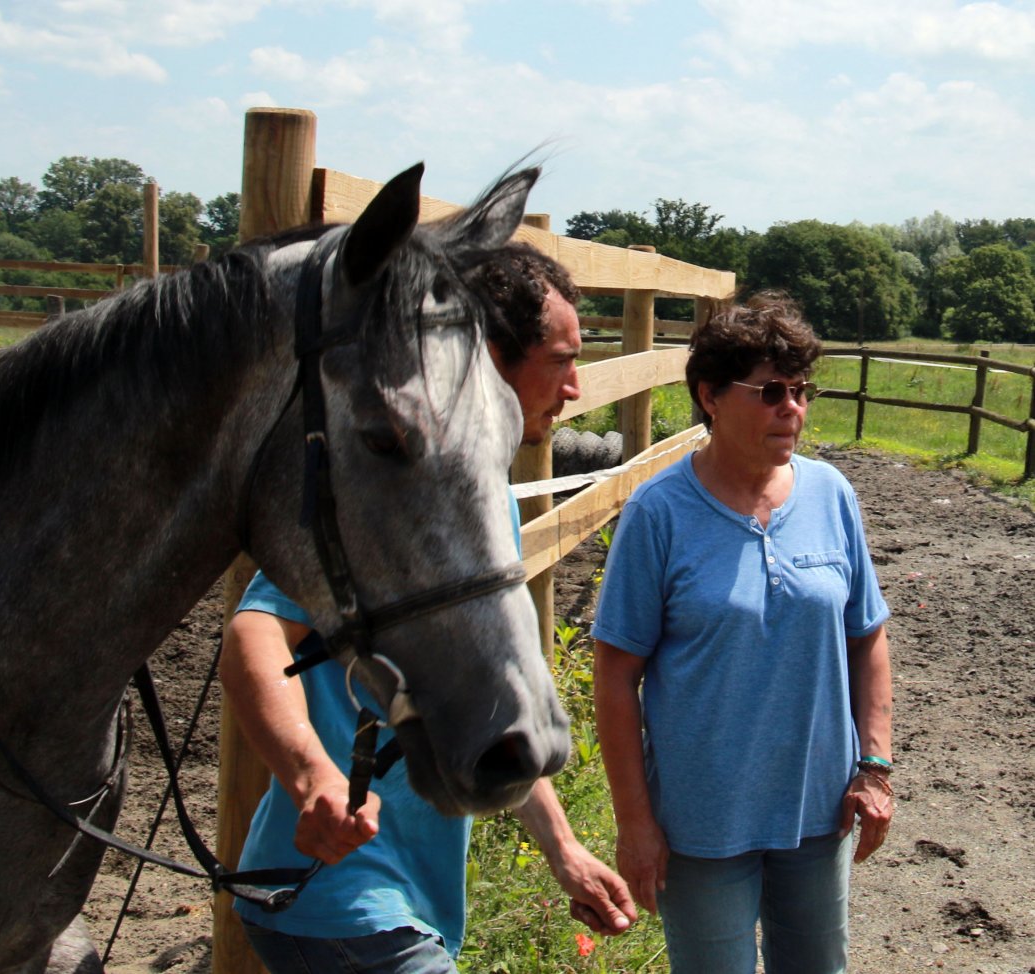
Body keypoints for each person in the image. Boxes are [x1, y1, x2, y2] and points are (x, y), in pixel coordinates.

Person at [220, 245, 637, 974]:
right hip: (338, 897)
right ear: (493, 358)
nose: (576, 387)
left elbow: (492, 709)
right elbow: (251, 634)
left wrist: (565, 851)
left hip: (403, 898)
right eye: (562, 360)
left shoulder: (482, 502)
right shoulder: (389, 499)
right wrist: (311, 776)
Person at [590, 293, 894, 973]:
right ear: (711, 397)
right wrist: (635, 822)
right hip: (701, 824)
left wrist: (874, 767)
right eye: (771, 392)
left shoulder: (831, 495)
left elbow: (867, 636)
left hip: (818, 811)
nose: (793, 408)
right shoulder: (659, 514)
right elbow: (615, 675)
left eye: (802, 390)